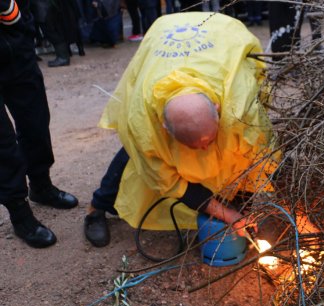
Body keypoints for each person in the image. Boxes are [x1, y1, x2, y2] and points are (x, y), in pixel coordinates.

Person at [84, 12, 279, 247]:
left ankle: (235, 199)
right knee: (134, 153)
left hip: (221, 32)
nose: (205, 149)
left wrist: (242, 206)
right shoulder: (143, 122)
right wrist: (227, 215)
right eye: (195, 146)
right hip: (162, 38)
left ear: (218, 109)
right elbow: (172, 183)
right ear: (164, 127)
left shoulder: (240, 108)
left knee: (240, 148)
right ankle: (96, 207)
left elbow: (260, 157)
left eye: (209, 140)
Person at [1, 0, 79, 248]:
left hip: (18, 52)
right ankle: (19, 212)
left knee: (36, 124)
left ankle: (41, 185)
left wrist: (25, 27)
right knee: (3, 144)